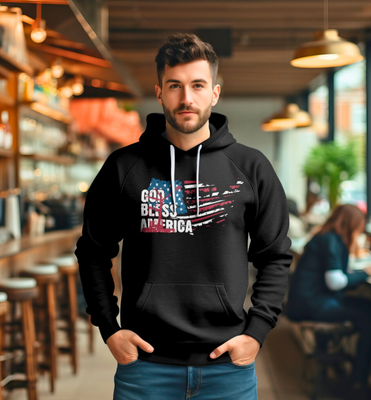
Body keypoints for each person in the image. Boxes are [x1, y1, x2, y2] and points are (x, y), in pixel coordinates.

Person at [75, 32, 293, 400]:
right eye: (174, 85)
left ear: (215, 93)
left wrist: (256, 333)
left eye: (197, 85)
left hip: (227, 367)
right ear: (159, 92)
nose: (186, 98)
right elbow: (93, 252)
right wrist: (109, 328)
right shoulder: (124, 167)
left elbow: (275, 256)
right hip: (145, 366)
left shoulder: (251, 167)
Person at [286, 204, 371, 400]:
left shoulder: (327, 236)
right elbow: (335, 282)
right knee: (370, 321)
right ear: (352, 224)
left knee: (367, 306)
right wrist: (365, 273)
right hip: (311, 304)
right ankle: (357, 383)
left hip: (309, 300)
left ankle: (338, 362)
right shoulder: (331, 240)